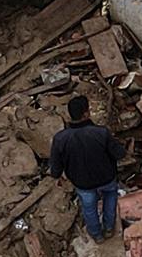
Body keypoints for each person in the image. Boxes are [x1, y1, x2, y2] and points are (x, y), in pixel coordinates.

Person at [48, 95, 124, 240]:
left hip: (82, 182)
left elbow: (56, 166)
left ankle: (96, 235)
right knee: (110, 200)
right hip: (106, 177)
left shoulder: (60, 138)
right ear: (86, 114)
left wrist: (56, 175)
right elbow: (119, 154)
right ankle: (109, 228)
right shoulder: (101, 132)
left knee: (89, 208)